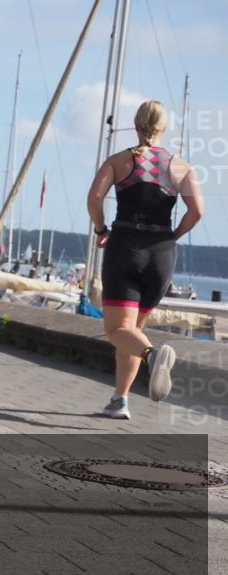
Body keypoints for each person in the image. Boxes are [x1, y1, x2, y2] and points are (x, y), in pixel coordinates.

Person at [87, 100, 203, 420]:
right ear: (163, 128)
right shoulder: (181, 167)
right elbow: (198, 212)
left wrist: (101, 229)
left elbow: (94, 198)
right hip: (162, 252)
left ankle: (153, 357)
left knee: (116, 330)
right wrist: (173, 235)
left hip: (126, 244)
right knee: (132, 329)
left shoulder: (119, 161)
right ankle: (120, 400)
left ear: (136, 125)